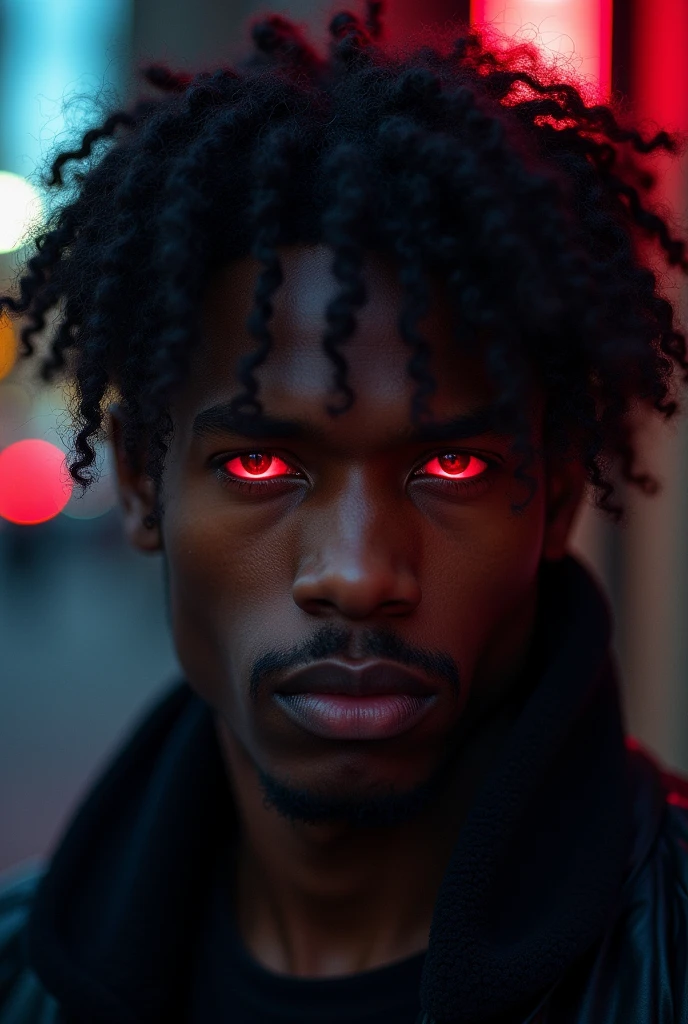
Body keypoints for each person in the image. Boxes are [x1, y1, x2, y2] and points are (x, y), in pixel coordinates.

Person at [1, 3, 687, 1022]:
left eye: (450, 463)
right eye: (263, 462)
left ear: (551, 493)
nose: (359, 573)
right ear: (145, 485)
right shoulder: (19, 972)